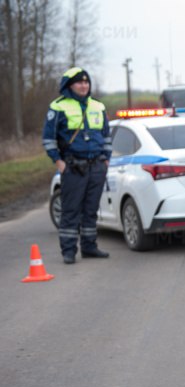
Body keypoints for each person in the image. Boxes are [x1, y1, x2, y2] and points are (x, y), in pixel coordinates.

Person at [42, 67, 112, 264]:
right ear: (69, 86)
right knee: (71, 210)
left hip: (97, 166)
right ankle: (69, 251)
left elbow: (106, 136)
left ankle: (89, 247)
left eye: (86, 82)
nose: (84, 85)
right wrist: (58, 162)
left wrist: (106, 159)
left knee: (91, 210)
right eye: (79, 82)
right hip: (73, 166)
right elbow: (48, 139)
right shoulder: (58, 107)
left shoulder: (98, 106)